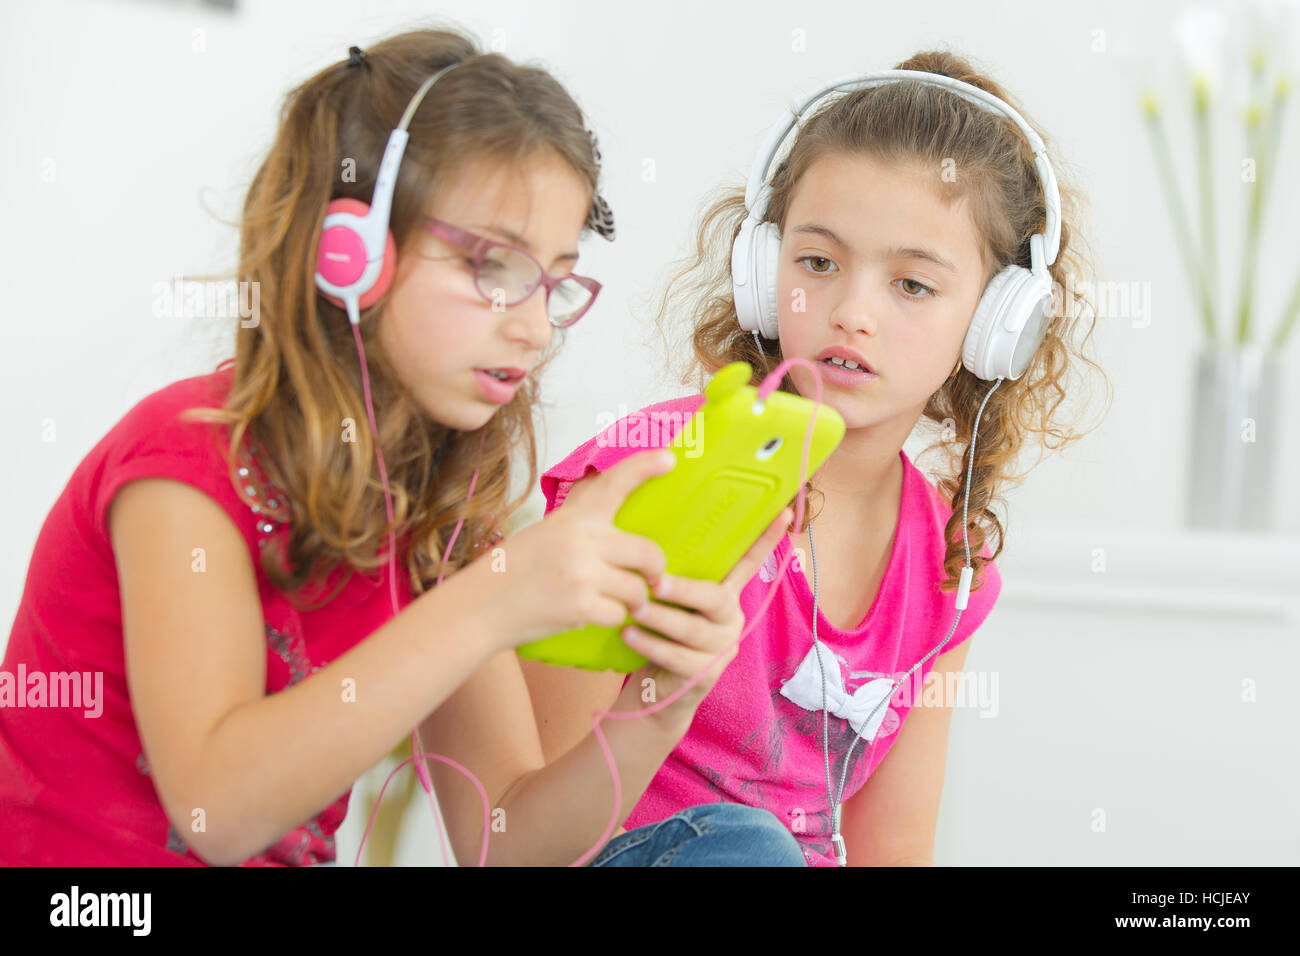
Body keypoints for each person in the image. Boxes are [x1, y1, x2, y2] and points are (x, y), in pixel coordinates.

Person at [0, 27, 803, 867]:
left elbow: (507, 843)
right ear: (353, 257)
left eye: (555, 281)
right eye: (492, 267)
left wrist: (660, 700)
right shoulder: (186, 464)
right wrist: (495, 598)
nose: (533, 327)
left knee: (738, 843)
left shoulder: (439, 525)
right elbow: (219, 811)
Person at [527, 50, 1109, 866]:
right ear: (765, 273)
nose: (852, 312)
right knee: (747, 846)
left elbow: (893, 848)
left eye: (912, 285)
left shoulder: (949, 566)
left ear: (997, 326)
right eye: (818, 263)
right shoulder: (649, 466)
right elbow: (544, 827)